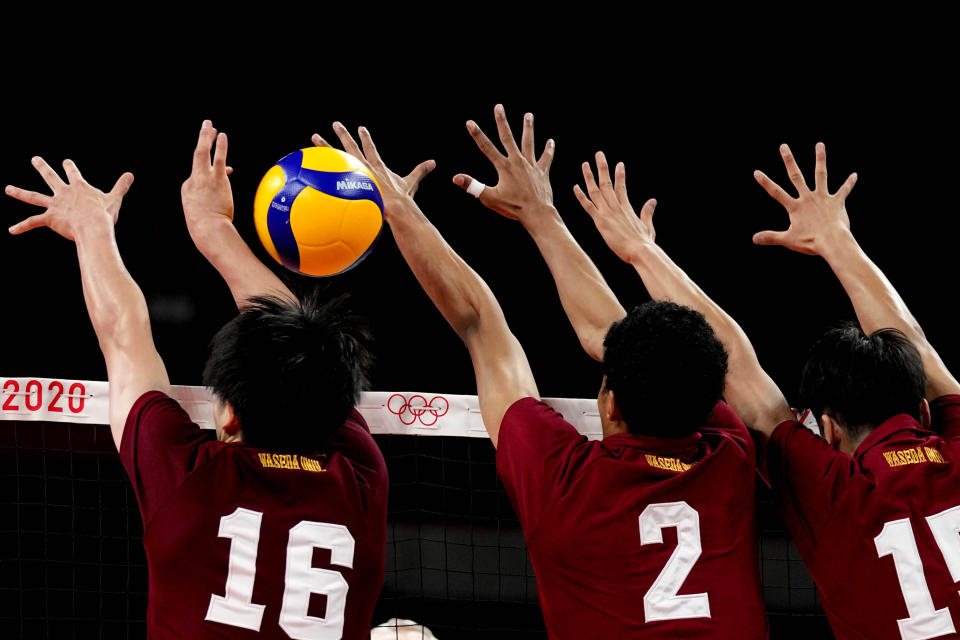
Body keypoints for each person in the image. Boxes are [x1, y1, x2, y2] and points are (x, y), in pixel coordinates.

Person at [313, 109, 768, 637]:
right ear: (709, 397)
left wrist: (401, 211)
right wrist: (544, 219)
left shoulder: (564, 482)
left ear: (613, 404)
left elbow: (482, 325)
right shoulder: (731, 457)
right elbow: (624, 342)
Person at [2, 119, 399, 639]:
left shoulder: (190, 477)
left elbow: (126, 334)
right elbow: (298, 343)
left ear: (231, 412)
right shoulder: (360, 476)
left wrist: (97, 228)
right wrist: (212, 230)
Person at [745, 144, 960, 639]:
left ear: (830, 431)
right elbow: (920, 349)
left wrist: (641, 251)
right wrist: (837, 240)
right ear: (924, 412)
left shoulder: (833, 496)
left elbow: (748, 387)